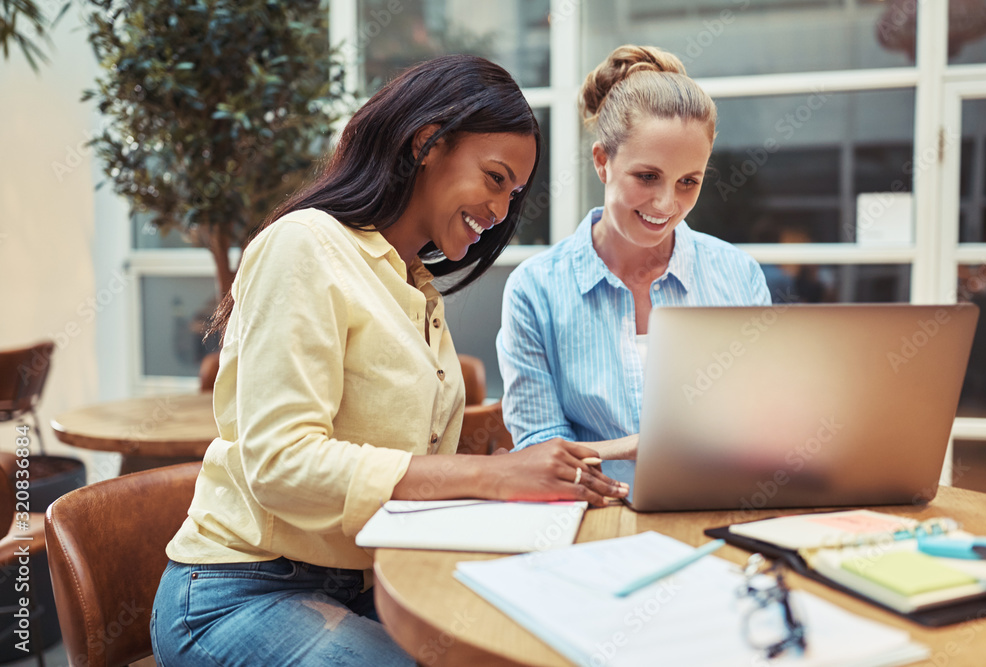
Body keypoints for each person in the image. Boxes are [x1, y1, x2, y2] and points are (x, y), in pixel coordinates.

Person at [151, 54, 628, 667]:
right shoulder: (306, 244)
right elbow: (281, 463)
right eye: (494, 177)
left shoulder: (415, 289)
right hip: (239, 594)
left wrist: (517, 480)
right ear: (427, 142)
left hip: (373, 585)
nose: (502, 210)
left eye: (514, 192)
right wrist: (490, 477)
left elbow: (403, 474)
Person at [497, 45, 771, 460]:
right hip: (592, 516)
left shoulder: (738, 275)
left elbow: (765, 421)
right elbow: (540, 451)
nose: (666, 204)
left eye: (688, 182)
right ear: (602, 162)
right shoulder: (535, 290)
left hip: (712, 511)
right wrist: (645, 448)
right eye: (647, 176)